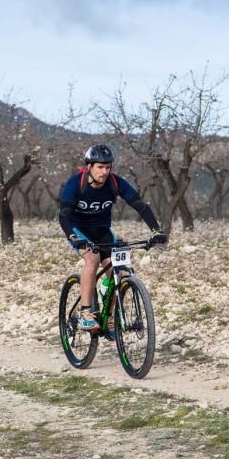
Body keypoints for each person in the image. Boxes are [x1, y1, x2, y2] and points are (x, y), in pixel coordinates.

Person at [59, 144, 167, 338]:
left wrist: (156, 230)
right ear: (89, 166)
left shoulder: (115, 183)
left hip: (103, 231)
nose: (105, 171)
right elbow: (64, 213)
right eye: (100, 167)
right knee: (92, 259)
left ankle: (108, 316)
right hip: (78, 230)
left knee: (119, 270)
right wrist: (72, 236)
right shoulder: (76, 183)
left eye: (108, 167)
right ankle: (85, 311)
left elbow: (140, 206)